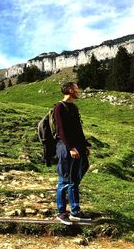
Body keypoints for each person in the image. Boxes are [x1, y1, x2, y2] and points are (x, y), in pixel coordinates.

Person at [54, 82, 91, 225]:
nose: (78, 90)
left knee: (74, 180)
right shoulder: (59, 107)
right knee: (64, 180)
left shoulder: (74, 107)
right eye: (76, 88)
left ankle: (75, 212)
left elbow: (78, 129)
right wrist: (70, 148)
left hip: (77, 147)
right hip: (65, 147)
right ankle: (61, 212)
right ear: (70, 90)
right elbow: (61, 131)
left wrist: (84, 145)